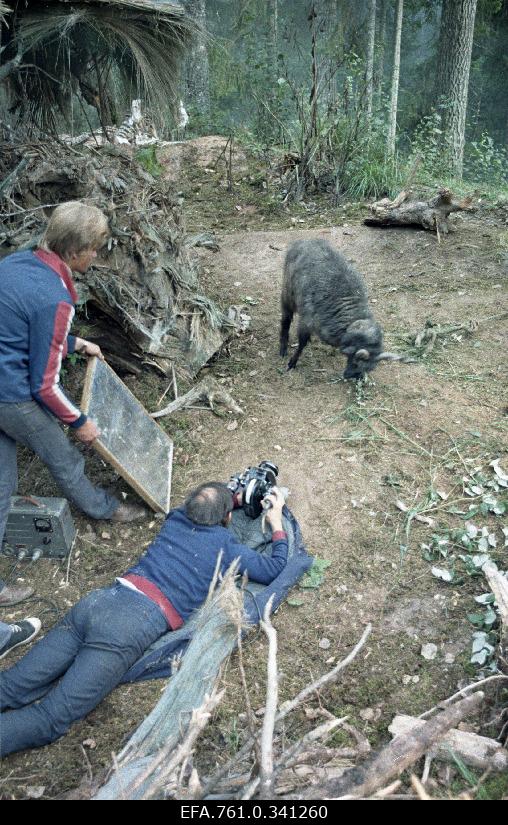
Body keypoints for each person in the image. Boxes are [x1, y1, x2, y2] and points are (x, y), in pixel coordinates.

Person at [0, 482, 288, 756]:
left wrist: (233, 497)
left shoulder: (176, 518)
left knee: (11, 686)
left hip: (96, 604)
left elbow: (205, 506)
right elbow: (273, 567)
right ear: (226, 518)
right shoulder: (226, 545)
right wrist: (275, 523)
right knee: (50, 718)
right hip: (129, 625)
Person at [0, 201, 147, 608]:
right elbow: (44, 386)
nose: (96, 256)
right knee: (64, 456)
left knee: (1, 485)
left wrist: (73, 343)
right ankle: (103, 509)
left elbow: (19, 329)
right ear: (74, 251)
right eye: (95, 248)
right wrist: (79, 420)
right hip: (11, 396)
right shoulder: (57, 298)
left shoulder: (17, 263)